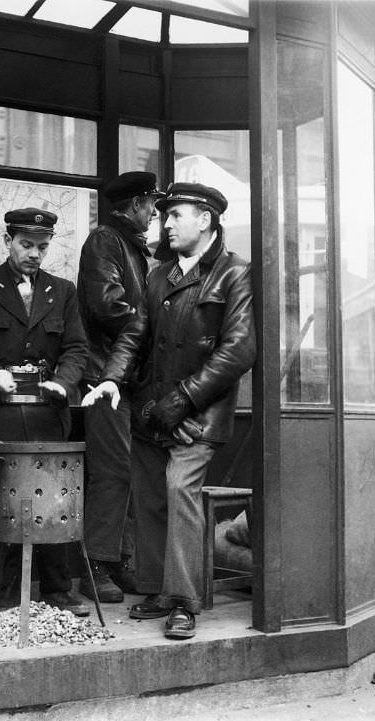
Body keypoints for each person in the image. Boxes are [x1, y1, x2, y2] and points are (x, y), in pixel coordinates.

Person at [83, 182, 256, 639]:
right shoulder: (159, 275)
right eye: (165, 216)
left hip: (196, 416)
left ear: (206, 219)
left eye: (176, 214)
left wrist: (180, 403)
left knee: (180, 489)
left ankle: (184, 600)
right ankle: (161, 588)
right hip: (153, 413)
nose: (167, 223)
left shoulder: (235, 273)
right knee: (152, 496)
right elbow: (134, 336)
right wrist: (110, 379)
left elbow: (238, 351)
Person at [0, 207, 90, 616]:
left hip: (48, 415)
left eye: (42, 247)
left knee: (54, 501)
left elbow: (76, 349)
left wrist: (62, 384)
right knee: (8, 502)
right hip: (0, 416)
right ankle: (9, 595)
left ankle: (59, 590)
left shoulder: (62, 291)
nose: (34, 254)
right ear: (7, 240)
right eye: (26, 245)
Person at [77, 171, 163, 603]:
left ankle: (120, 560)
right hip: (104, 376)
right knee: (112, 472)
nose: (154, 213)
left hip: (128, 376)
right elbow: (108, 305)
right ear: (134, 204)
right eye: (151, 204)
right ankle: (96, 566)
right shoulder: (106, 241)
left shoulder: (132, 247)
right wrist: (158, 324)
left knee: (132, 472)